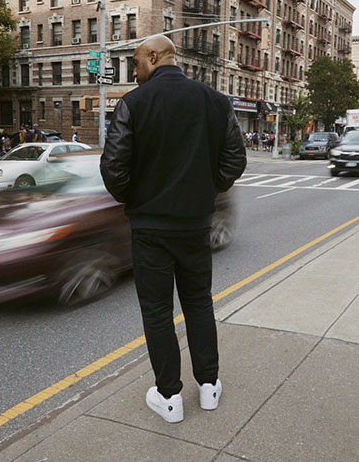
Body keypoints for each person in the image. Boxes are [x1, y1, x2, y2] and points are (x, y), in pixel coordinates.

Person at [100, 34, 246, 424]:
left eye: (136, 62)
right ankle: (209, 387)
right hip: (195, 224)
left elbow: (113, 169)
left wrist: (139, 198)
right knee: (198, 302)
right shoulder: (215, 102)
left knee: (157, 311)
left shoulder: (133, 103)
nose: (134, 71)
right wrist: (207, 190)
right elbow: (235, 160)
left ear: (153, 56)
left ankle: (169, 397)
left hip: (149, 228)